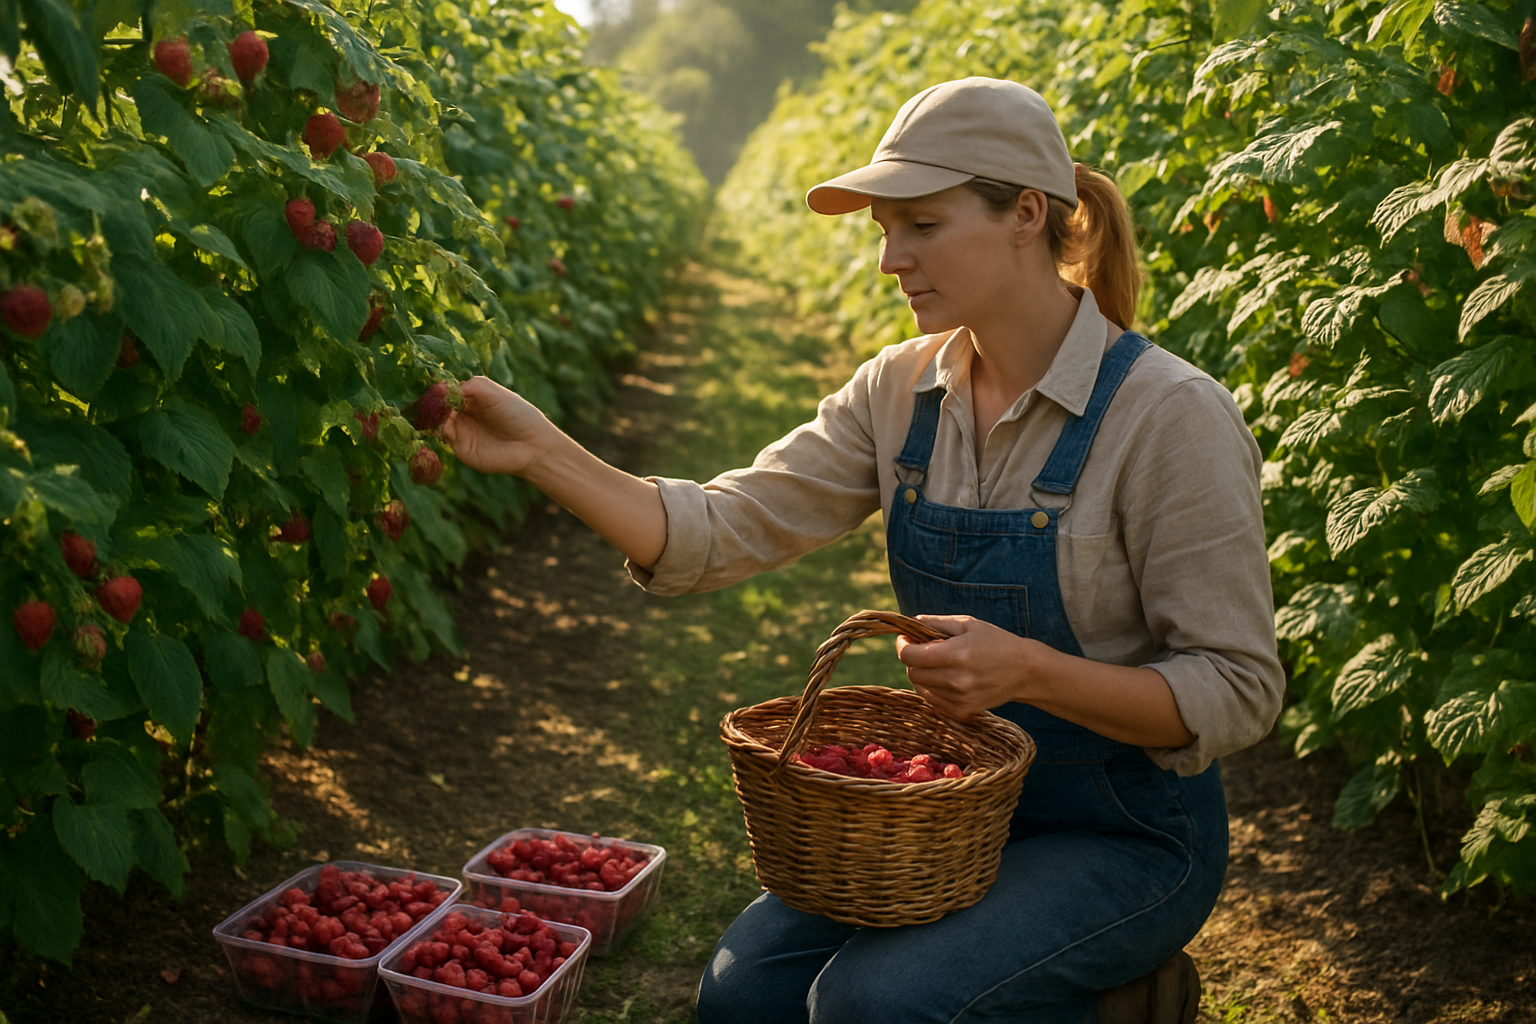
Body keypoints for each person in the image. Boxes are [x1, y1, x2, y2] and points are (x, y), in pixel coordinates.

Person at [441, 76, 1284, 1024]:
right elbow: (720, 529)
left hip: (1127, 835)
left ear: (1027, 215)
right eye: (885, 230)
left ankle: (1122, 1004)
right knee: (742, 994)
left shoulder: (1168, 417)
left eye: (920, 225)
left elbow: (1238, 686)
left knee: (871, 1005)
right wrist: (539, 454)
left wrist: (1030, 671)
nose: (891, 260)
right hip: (947, 821)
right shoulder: (900, 391)